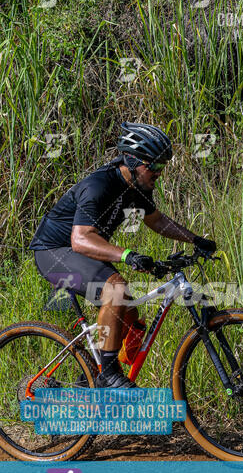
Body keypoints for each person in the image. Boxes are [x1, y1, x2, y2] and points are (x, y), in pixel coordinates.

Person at [29, 122, 216, 388]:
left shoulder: (137, 187)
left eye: (163, 166)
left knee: (129, 314)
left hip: (84, 249)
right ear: (132, 160)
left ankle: (89, 381)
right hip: (54, 252)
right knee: (115, 289)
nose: (159, 173)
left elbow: (157, 221)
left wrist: (196, 239)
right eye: (154, 166)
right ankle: (108, 374)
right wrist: (128, 255)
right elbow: (81, 239)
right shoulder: (99, 186)